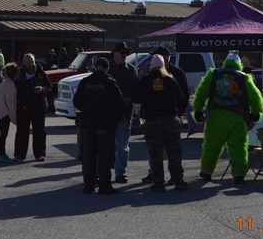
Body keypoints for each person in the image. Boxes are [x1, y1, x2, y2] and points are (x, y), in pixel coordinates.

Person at [192, 51, 263, 185]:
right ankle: (238, 175)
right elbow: (255, 96)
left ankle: (207, 172)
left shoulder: (213, 74)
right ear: (238, 65)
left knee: (211, 146)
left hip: (216, 117)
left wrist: (198, 108)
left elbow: (202, 91)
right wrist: (256, 112)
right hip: (237, 118)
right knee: (238, 147)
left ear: (225, 63)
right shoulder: (244, 77)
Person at [132, 54, 187, 192]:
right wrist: (177, 114)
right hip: (170, 120)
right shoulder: (171, 79)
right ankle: (178, 180)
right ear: (163, 65)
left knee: (156, 154)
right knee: (174, 152)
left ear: (151, 66)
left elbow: (135, 98)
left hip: (151, 121)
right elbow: (181, 98)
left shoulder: (144, 80)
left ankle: (158, 183)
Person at [73, 57, 125, 195]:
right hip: (106, 124)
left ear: (95, 67)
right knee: (104, 155)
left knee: (89, 155)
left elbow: (76, 101)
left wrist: (86, 110)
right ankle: (104, 185)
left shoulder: (85, 82)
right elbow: (120, 103)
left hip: (88, 124)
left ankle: (89, 185)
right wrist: (115, 118)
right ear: (107, 68)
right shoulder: (110, 82)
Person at [107, 42, 137, 184]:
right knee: (103, 145)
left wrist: (129, 100)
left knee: (122, 146)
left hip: (124, 113)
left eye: (126, 53)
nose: (124, 55)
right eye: (122, 52)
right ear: (114, 53)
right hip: (106, 114)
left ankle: (121, 173)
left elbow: (137, 92)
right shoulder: (106, 68)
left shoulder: (131, 70)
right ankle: (101, 173)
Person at [14, 53, 52, 162]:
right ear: (24, 63)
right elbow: (13, 88)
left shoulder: (41, 73)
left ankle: (40, 154)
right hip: (23, 107)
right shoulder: (19, 74)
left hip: (38, 106)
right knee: (22, 132)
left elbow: (49, 87)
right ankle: (19, 155)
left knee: (39, 131)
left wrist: (42, 89)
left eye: (32, 62)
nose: (31, 65)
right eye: (28, 63)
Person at [0, 62, 19, 163]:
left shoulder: (5, 82)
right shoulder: (10, 84)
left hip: (1, 112)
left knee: (3, 134)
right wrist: (14, 117)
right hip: (5, 113)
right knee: (3, 134)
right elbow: (10, 102)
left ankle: (2, 154)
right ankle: (2, 154)